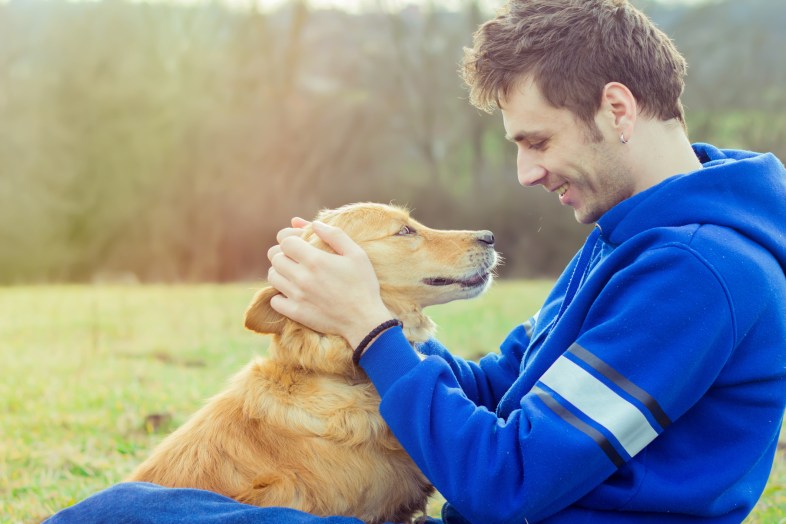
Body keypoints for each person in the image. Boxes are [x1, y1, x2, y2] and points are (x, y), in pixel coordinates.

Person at [47, 0, 786, 523]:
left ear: (617, 110)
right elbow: (500, 385)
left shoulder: (700, 273)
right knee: (142, 506)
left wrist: (371, 331)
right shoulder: (637, 237)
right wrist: (345, 331)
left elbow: (510, 483)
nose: (527, 174)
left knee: (120, 515)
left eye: (536, 141)